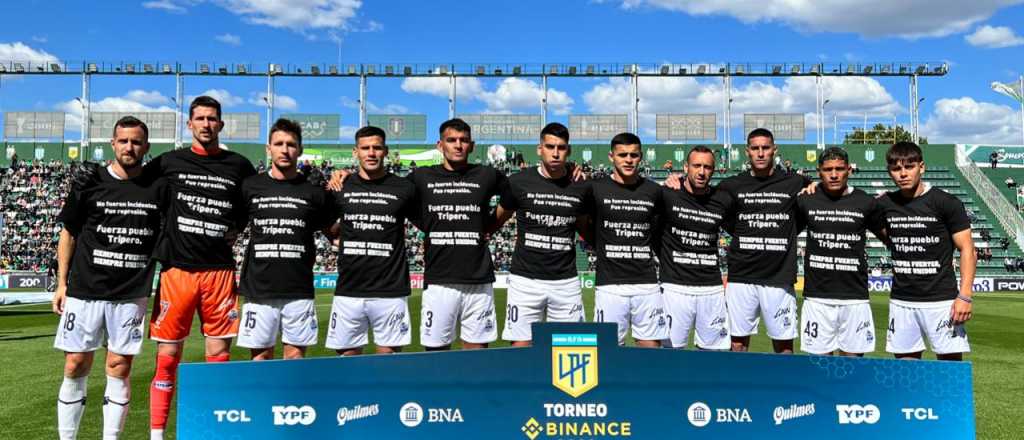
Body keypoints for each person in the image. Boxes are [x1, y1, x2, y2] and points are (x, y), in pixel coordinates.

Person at [145, 96, 257, 439]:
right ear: (189, 124)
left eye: (213, 119)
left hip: (219, 272)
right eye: (200, 118)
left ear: (221, 125)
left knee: (219, 357)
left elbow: (255, 202)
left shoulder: (239, 165)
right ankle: (157, 434)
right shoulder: (168, 161)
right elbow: (133, 184)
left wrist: (237, 227)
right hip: (177, 270)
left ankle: (212, 430)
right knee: (167, 357)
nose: (207, 124)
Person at [52, 116, 164, 440]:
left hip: (131, 292)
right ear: (112, 144)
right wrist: (62, 283)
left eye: (136, 141)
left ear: (146, 146)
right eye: (124, 141)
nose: (130, 147)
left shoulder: (158, 188)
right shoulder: (90, 181)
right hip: (85, 289)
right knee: (74, 364)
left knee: (119, 367)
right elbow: (69, 233)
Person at [679, 128, 812, 353]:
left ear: (774, 150)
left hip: (779, 277)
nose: (761, 153)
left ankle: (781, 388)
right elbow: (720, 216)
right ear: (747, 151)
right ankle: (737, 388)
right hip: (741, 276)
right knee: (737, 344)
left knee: (784, 345)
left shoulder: (796, 182)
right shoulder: (731, 186)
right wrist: (676, 180)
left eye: (766, 148)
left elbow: (808, 210)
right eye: (755, 148)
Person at [236, 119, 336, 360]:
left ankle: (289, 401)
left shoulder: (314, 192)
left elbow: (334, 233)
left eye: (291, 144)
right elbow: (233, 227)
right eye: (278, 144)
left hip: (298, 289)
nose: (284, 149)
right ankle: (263, 400)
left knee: (295, 361)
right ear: (268, 148)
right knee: (259, 359)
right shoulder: (250, 186)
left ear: (299, 149)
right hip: (259, 290)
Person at [489, 123, 588, 346]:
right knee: (521, 347)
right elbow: (497, 219)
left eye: (561, 147)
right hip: (525, 280)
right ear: (539, 149)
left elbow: (585, 228)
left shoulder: (581, 185)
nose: (555, 153)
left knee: (570, 348)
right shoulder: (518, 182)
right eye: (550, 146)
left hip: (566, 282)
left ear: (568, 151)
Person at [877, 141, 975, 361]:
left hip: (942, 301)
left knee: (949, 370)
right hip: (902, 301)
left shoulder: (946, 202)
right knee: (906, 371)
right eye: (896, 169)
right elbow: (885, 235)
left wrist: (965, 296)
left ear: (922, 167)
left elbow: (967, 249)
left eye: (909, 167)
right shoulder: (884, 204)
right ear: (889, 172)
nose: (903, 174)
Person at [325, 126, 417, 355]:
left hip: (391, 290)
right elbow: (322, 222)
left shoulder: (404, 187)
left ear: (386, 151)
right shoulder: (340, 186)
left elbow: (427, 223)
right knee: (347, 363)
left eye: (377, 147)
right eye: (365, 148)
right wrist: (333, 236)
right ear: (355, 152)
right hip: (349, 289)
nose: (371, 153)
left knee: (388, 363)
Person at [795, 147, 886, 357]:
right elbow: (785, 233)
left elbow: (889, 238)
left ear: (849, 170)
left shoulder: (865, 202)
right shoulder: (806, 200)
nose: (834, 174)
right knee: (820, 369)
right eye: (828, 170)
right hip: (817, 298)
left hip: (854, 298)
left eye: (839, 169)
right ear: (819, 172)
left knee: (852, 369)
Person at [582, 132, 668, 347]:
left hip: (646, 284)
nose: (628, 160)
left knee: (651, 349)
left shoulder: (654, 191)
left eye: (633, 155)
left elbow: (657, 230)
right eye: (622, 155)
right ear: (611, 157)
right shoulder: (595, 188)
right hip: (610, 286)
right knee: (606, 350)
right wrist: (599, 244)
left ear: (640, 157)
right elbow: (582, 223)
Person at [658, 146, 732, 350]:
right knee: (670, 354)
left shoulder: (722, 200)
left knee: (714, 355)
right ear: (685, 167)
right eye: (696, 165)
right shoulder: (667, 194)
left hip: (711, 289)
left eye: (707, 167)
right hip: (675, 288)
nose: (701, 172)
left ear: (714, 170)